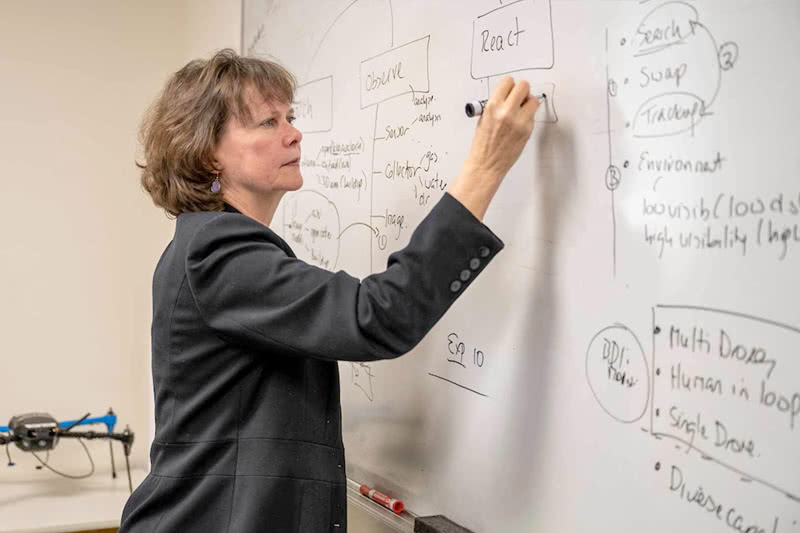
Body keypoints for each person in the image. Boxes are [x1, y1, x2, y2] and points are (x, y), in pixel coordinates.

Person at [119, 48, 539, 532]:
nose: (293, 132)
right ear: (207, 150)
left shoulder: (215, 246)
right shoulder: (217, 251)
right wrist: (484, 168)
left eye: (290, 117)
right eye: (267, 122)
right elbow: (377, 317)